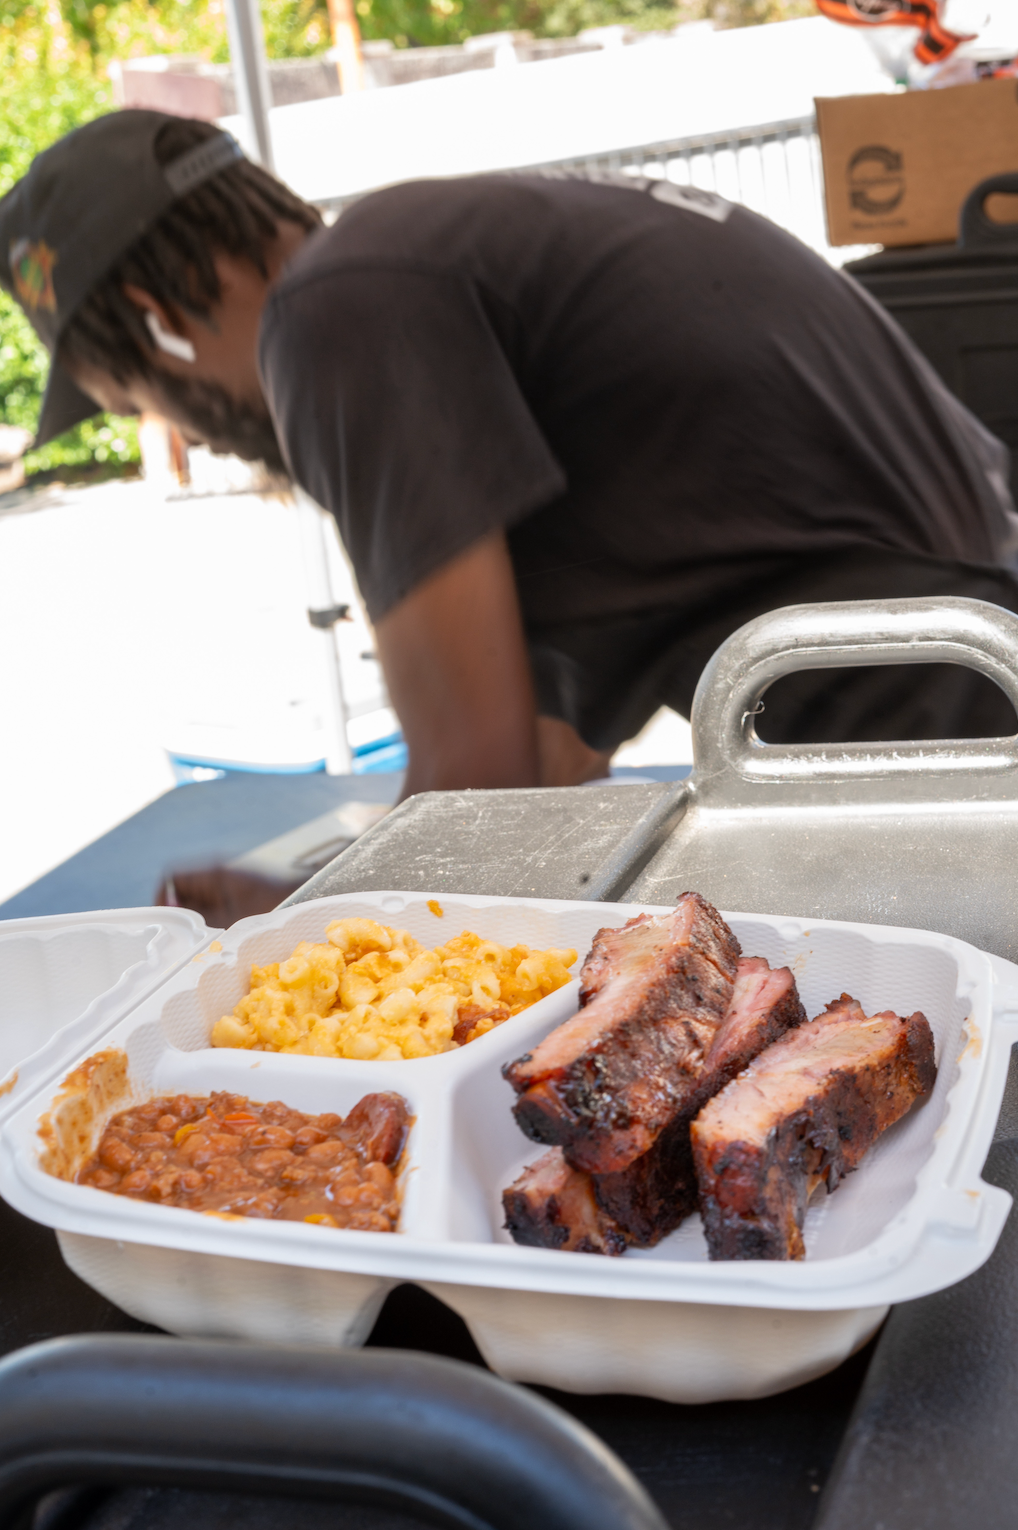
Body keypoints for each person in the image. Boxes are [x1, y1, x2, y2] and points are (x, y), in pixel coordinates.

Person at [4, 109, 1018, 921]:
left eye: (135, 394)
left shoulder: (332, 311)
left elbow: (474, 803)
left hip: (924, 753)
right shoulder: (442, 256)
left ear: (155, 315)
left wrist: (295, 938)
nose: (181, 432)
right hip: (938, 713)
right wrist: (312, 896)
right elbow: (543, 756)